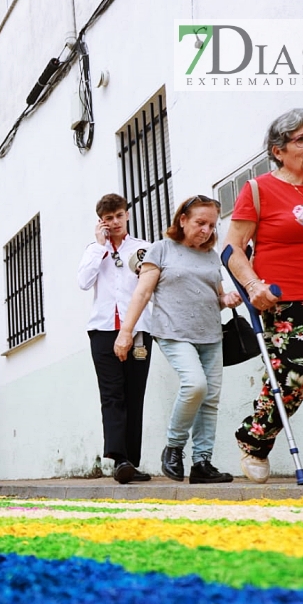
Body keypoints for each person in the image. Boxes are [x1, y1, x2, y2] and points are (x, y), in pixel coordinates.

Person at [226, 109, 303, 484]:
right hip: (287, 299)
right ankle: (254, 440)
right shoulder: (259, 190)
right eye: (302, 139)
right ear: (278, 150)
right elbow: (232, 249)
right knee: (296, 373)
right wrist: (252, 285)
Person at [115, 195, 241, 484]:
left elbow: (215, 294)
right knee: (195, 385)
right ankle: (173, 447)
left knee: (210, 399)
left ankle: (202, 463)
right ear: (182, 220)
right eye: (200, 223)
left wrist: (227, 298)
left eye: (211, 225)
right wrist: (126, 332)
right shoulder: (161, 250)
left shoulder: (210, 255)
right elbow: (143, 293)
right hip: (172, 332)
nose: (207, 230)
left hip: (210, 333)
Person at [78, 193, 155, 484]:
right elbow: (84, 282)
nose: (115, 222)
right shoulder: (93, 250)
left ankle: (130, 462)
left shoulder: (144, 249)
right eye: (108, 218)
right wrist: (100, 248)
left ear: (127, 215)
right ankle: (118, 459)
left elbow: (150, 286)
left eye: (119, 216)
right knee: (112, 394)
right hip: (102, 331)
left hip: (138, 330)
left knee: (135, 394)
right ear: (102, 221)